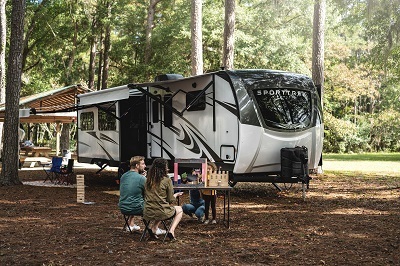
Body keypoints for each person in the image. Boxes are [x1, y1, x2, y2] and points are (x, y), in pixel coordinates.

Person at [118, 156, 165, 235]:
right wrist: (145, 178)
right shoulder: (141, 179)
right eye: (143, 164)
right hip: (137, 208)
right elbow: (151, 192)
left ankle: (131, 224)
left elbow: (133, 188)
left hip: (123, 207)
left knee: (134, 196)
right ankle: (155, 228)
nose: (145, 166)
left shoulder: (123, 176)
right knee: (161, 204)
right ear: (137, 166)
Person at [143, 158, 183, 241]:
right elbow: (170, 200)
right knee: (179, 209)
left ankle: (154, 228)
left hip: (147, 211)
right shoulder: (167, 180)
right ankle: (171, 231)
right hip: (161, 211)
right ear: (164, 168)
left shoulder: (147, 180)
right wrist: (175, 195)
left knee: (159, 207)